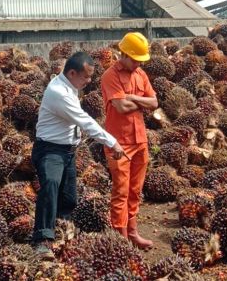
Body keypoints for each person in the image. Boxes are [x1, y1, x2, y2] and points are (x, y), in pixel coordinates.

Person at [31, 51, 125, 259]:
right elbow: (85, 121)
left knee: (68, 197)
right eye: (86, 76)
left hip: (67, 151)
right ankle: (42, 240)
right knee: (50, 188)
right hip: (50, 150)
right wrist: (112, 142)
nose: (89, 81)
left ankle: (63, 233)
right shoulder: (59, 93)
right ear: (72, 73)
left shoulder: (69, 85)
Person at [100, 32, 158, 249]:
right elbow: (121, 107)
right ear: (123, 54)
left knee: (135, 190)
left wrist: (132, 97)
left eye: (140, 61)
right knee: (121, 191)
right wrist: (141, 102)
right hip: (119, 143)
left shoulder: (141, 74)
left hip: (140, 140)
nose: (138, 64)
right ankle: (120, 238)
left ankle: (132, 232)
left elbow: (155, 103)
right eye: (135, 60)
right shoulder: (110, 76)